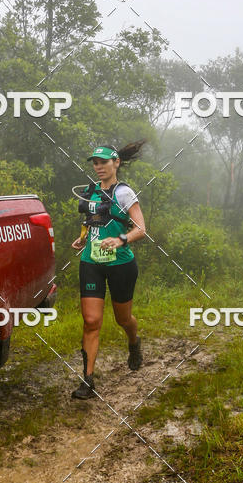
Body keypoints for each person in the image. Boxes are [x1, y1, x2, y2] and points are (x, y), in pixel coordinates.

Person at [70, 142, 147, 399]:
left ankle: (134, 342)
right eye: (95, 163)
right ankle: (88, 380)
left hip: (121, 264)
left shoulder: (124, 193)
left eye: (103, 162)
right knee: (91, 321)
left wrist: (120, 239)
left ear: (116, 163)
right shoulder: (91, 191)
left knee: (123, 319)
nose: (99, 167)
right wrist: (83, 238)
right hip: (91, 262)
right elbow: (91, 220)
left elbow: (141, 229)